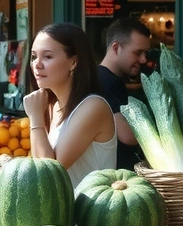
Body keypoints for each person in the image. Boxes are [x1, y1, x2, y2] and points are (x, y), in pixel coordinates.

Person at [24, 23, 116, 189]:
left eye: (48, 57)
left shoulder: (93, 107)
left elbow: (48, 174)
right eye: (33, 57)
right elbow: (39, 169)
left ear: (73, 62)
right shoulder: (51, 106)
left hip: (92, 213)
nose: (37, 64)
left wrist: (35, 118)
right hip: (61, 211)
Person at [98, 17, 152, 171]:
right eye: (137, 53)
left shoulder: (106, 78)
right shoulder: (107, 82)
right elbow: (129, 136)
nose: (143, 60)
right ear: (115, 48)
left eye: (145, 53)